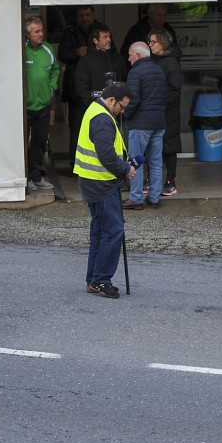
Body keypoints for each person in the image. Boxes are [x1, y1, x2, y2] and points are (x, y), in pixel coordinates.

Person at [75, 82, 136, 298]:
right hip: (102, 183)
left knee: (100, 231)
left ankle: (94, 279)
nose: (123, 111)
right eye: (122, 106)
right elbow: (106, 154)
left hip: (93, 182)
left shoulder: (95, 110)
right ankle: (101, 280)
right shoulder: (102, 119)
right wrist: (125, 169)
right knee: (113, 231)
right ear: (111, 101)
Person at [122, 42, 168, 209]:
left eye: (130, 55)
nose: (128, 59)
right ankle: (155, 198)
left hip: (141, 124)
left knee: (136, 162)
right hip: (159, 123)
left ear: (138, 56)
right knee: (156, 161)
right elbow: (166, 97)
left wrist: (124, 114)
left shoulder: (135, 72)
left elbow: (133, 100)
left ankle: (136, 198)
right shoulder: (160, 71)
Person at [58, 6, 103, 158]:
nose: (85, 18)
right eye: (81, 15)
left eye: (88, 15)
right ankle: (75, 163)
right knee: (77, 128)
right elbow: (62, 54)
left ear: (93, 15)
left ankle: (99, 161)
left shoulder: (102, 30)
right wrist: (76, 53)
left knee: (100, 127)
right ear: (76, 17)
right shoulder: (69, 32)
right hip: (76, 91)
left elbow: (112, 53)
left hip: (99, 89)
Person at [24, 16, 60, 191]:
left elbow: (56, 69)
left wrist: (51, 86)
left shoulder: (48, 49)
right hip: (25, 106)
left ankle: (36, 177)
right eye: (37, 31)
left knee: (39, 142)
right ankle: (25, 179)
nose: (41, 34)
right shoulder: (22, 50)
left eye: (42, 30)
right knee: (24, 144)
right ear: (27, 34)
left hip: (43, 105)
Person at [148, 29, 182, 196]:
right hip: (155, 110)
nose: (150, 44)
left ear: (162, 43)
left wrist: (161, 105)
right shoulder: (154, 60)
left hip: (168, 112)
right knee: (152, 145)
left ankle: (170, 181)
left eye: (153, 42)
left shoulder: (171, 62)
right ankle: (152, 180)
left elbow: (175, 90)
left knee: (169, 146)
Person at [73, 22, 126, 105]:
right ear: (95, 40)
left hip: (117, 107)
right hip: (95, 107)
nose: (109, 39)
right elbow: (82, 88)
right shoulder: (86, 61)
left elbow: (125, 81)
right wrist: (92, 104)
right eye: (105, 37)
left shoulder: (118, 59)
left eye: (109, 36)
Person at [122, 3, 178, 70]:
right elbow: (126, 53)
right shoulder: (138, 30)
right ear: (150, 14)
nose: (162, 19)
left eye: (164, 15)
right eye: (158, 15)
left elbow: (176, 51)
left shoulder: (168, 30)